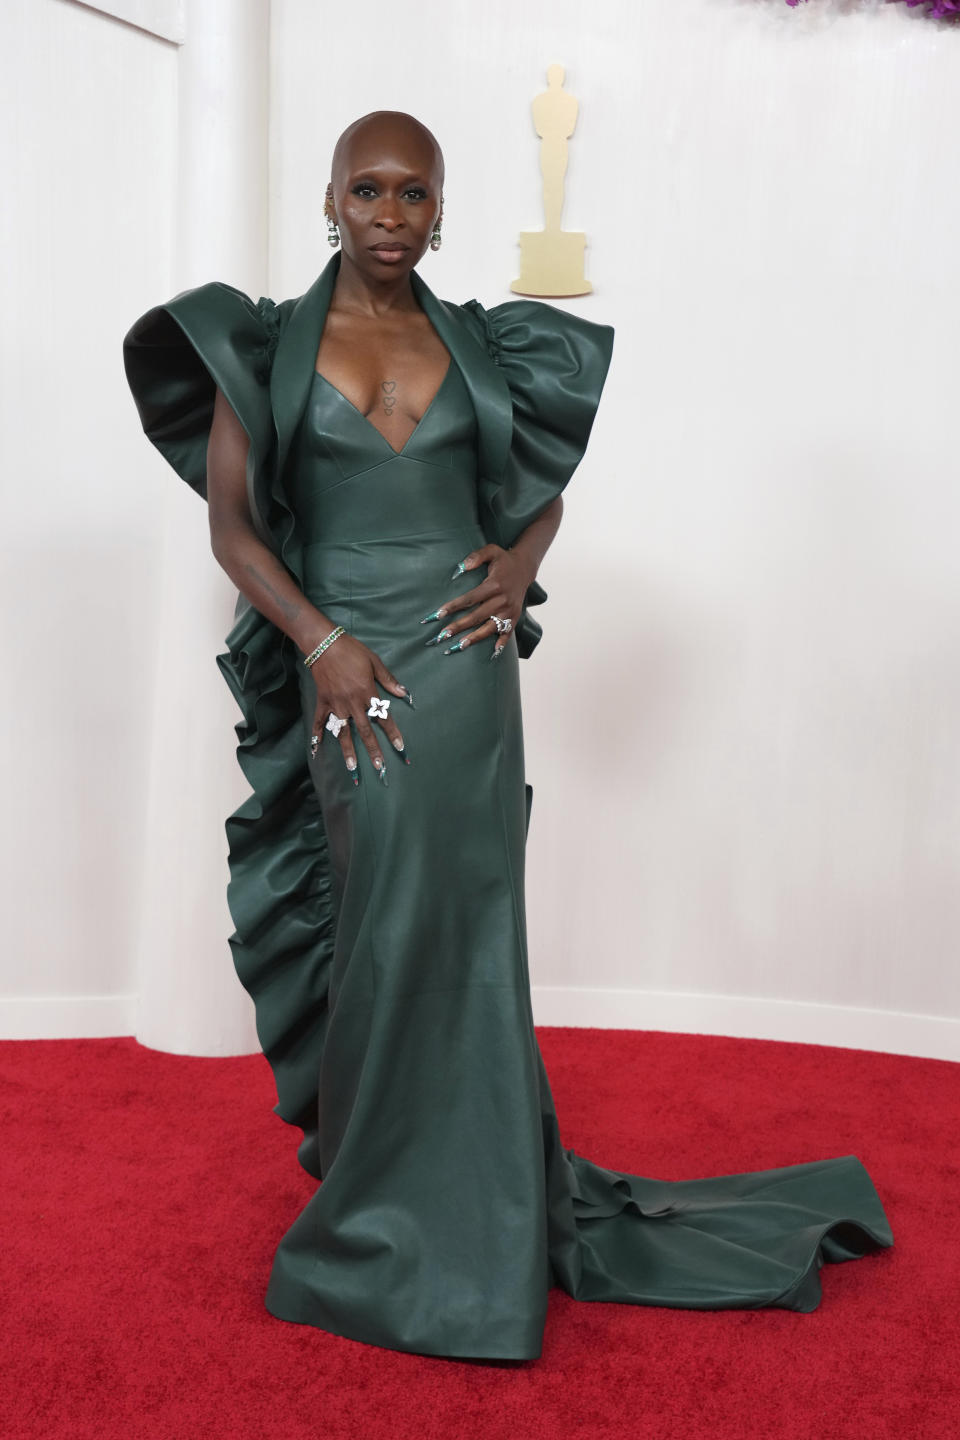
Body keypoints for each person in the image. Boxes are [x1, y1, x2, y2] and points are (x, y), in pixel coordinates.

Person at [122, 110, 893, 1362]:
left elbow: (544, 485)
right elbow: (233, 534)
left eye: (411, 194)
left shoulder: (484, 345)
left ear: (442, 209)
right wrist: (321, 647)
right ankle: (385, 1206)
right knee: (378, 921)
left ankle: (471, 1215)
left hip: (468, 668)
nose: (387, 214)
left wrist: (516, 567)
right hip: (350, 671)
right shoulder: (263, 347)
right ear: (330, 199)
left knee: (470, 927)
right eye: (365, 191)